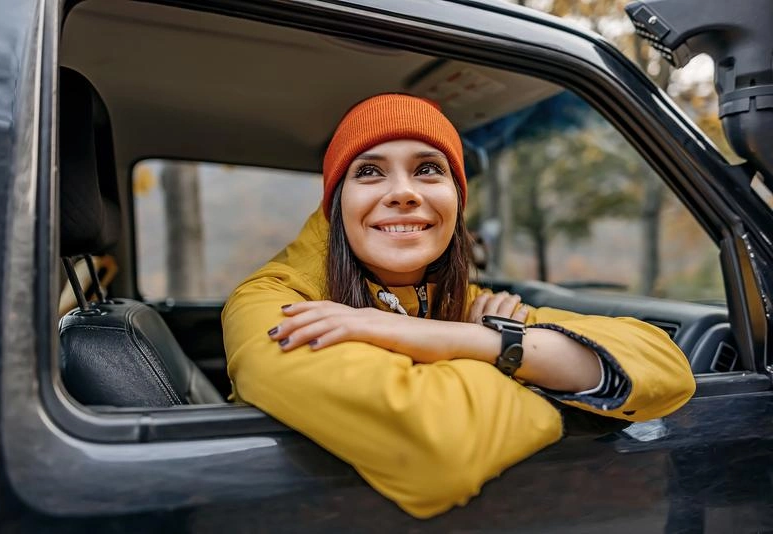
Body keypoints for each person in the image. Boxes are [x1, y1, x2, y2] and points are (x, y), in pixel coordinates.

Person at [222, 93, 695, 518]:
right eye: (369, 171)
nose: (405, 192)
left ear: (456, 199)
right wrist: (539, 372)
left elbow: (665, 367)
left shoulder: (464, 305)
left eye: (429, 168)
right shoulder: (272, 304)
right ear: (336, 201)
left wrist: (473, 338)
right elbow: (437, 447)